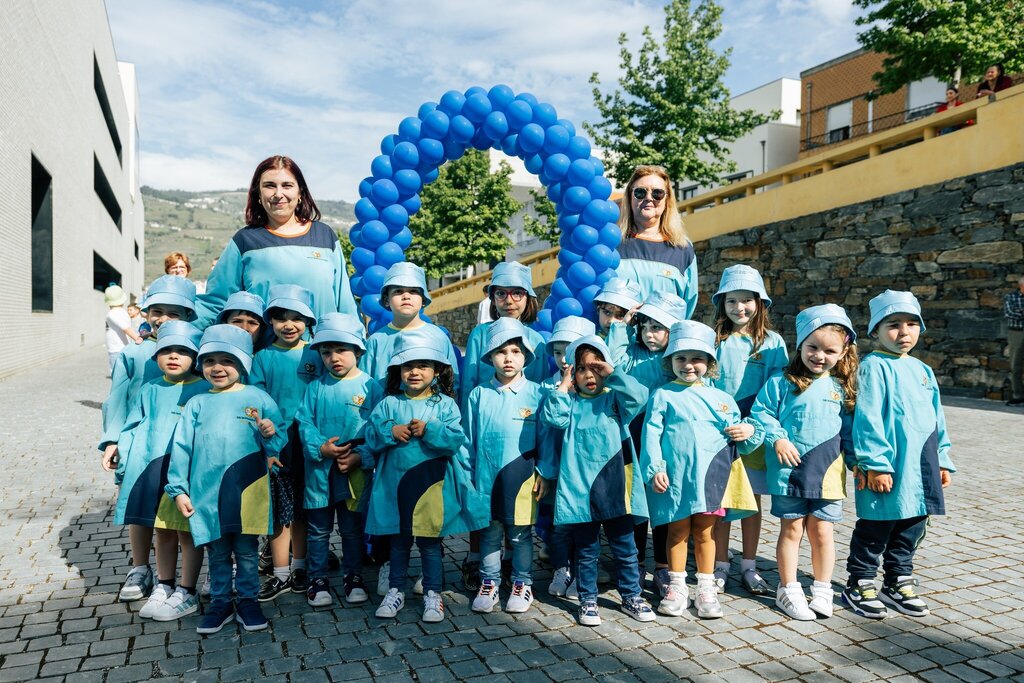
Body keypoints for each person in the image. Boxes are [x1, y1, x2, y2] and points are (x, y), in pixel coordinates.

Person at [165, 324, 288, 634]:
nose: (217, 368)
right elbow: (181, 447)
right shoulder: (197, 403)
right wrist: (178, 490)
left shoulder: (258, 397)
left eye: (227, 360)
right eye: (210, 360)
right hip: (207, 493)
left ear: (243, 363)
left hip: (249, 491)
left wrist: (270, 433)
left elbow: (277, 442)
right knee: (217, 551)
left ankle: (248, 601)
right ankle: (220, 603)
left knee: (246, 551)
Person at [843, 291, 955, 619]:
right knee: (877, 525)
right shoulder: (873, 367)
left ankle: (897, 581)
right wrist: (875, 464)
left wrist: (942, 459)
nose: (904, 332)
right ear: (875, 331)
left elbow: (937, 418)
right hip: (887, 467)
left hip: (921, 466)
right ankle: (860, 582)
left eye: (911, 324)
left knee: (912, 524)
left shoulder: (923, 370)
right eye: (893, 324)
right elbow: (867, 419)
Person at [745, 305, 858, 621]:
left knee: (822, 531)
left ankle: (822, 589)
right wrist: (778, 438)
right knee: (792, 529)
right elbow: (761, 413)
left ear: (843, 352)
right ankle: (789, 588)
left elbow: (850, 432)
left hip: (828, 475)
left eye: (829, 351)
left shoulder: (842, 387)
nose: (819, 356)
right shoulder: (781, 382)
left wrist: (858, 463)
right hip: (788, 473)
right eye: (813, 347)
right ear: (801, 345)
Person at [641, 321, 757, 619]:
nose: (688, 365)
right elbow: (651, 435)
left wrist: (748, 431)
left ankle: (705, 587)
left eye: (697, 358)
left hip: (710, 478)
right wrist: (655, 468)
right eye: (680, 358)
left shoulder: (723, 400)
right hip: (675, 478)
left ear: (710, 363)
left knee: (705, 533)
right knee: (677, 531)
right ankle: (677, 586)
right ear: (670, 361)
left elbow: (739, 440)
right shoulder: (662, 395)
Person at [364, 331, 483, 623]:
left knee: (430, 542)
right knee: (398, 541)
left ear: (437, 370)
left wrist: (430, 429)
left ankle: (432, 593)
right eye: (408, 366)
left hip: (432, 486)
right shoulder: (389, 404)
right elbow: (371, 433)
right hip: (395, 485)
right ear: (398, 370)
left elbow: (455, 439)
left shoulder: (445, 405)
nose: (415, 372)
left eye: (423, 365)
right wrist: (390, 430)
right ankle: (395, 590)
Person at [539, 335, 656, 627]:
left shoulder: (615, 400)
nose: (589, 375)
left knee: (626, 549)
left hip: (617, 488)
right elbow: (554, 418)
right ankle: (587, 599)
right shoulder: (570, 403)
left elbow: (640, 397)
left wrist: (613, 373)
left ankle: (631, 596)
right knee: (587, 551)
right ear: (571, 373)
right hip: (581, 492)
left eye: (595, 367)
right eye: (581, 369)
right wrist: (563, 386)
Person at [359, 261, 460, 595]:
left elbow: (451, 384)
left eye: (413, 291)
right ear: (386, 298)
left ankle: (431, 571)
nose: (405, 297)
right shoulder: (377, 340)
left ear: (424, 298)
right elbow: (369, 391)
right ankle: (389, 565)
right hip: (391, 439)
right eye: (397, 291)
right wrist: (383, 433)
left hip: (427, 441)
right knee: (389, 505)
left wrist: (434, 424)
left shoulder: (437, 336)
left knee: (429, 503)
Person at [110, 321, 209, 622]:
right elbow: (131, 427)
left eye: (182, 351)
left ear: (196, 357)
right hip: (154, 469)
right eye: (167, 350)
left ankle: (187, 590)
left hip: (188, 472)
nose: (174, 356)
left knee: (187, 531)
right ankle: (164, 584)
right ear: (156, 356)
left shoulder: (204, 388)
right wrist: (121, 460)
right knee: (163, 529)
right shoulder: (149, 389)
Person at [459, 261, 547, 591]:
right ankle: (475, 559)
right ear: (492, 298)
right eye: (501, 293)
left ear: (528, 298)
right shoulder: (479, 334)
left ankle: (511, 561)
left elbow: (538, 391)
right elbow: (469, 382)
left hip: (520, 434)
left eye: (517, 293)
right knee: (482, 501)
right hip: (484, 426)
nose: (509, 300)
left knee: (515, 505)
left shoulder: (536, 339)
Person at [195, 155, 357, 327]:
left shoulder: (324, 237)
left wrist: (357, 339)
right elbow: (216, 304)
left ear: (300, 192)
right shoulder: (244, 241)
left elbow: (345, 304)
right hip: (263, 346)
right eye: (269, 186)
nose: (278, 194)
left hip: (323, 344)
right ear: (258, 194)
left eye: (287, 185)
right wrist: (181, 331)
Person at [709, 265, 788, 596]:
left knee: (751, 501)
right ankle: (720, 563)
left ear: (760, 303)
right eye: (731, 301)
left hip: (755, 435)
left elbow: (778, 390)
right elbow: (705, 384)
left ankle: (749, 564)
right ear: (722, 303)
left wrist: (753, 425)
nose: (739, 308)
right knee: (720, 501)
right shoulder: (714, 340)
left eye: (746, 300)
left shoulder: (772, 343)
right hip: (720, 433)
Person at [295, 313, 381, 608]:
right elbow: (304, 422)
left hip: (354, 471)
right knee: (318, 529)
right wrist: (321, 448)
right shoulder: (315, 387)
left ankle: (353, 576)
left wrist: (361, 457)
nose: (334, 358)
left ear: (358, 350)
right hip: (320, 471)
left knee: (352, 529)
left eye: (341, 350)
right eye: (326, 351)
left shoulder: (371, 387)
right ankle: (317, 579)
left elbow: (378, 430)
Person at [606, 290, 687, 588]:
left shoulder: (676, 359)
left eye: (658, 328)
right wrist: (622, 326)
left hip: (667, 438)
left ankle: (663, 565)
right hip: (634, 434)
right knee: (636, 503)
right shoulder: (631, 353)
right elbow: (610, 361)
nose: (650, 334)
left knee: (663, 501)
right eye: (646, 326)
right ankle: (636, 562)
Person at [249, 285, 321, 602]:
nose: (289, 325)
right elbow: (256, 405)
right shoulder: (263, 358)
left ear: (308, 321)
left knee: (303, 509)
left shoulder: (316, 354)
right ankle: (280, 573)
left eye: (297, 318)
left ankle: (300, 567)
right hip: (276, 443)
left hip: (308, 441)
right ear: (271, 322)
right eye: (281, 318)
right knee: (280, 511)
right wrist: (268, 447)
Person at [100, 276, 197, 483]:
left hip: (186, 442)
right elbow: (117, 399)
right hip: (139, 440)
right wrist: (112, 440)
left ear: (188, 315)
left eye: (173, 314)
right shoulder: (133, 352)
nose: (163, 319)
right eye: (157, 312)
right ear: (147, 312)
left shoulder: (198, 351)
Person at [537, 315, 595, 598]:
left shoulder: (594, 389)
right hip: (558, 468)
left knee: (584, 525)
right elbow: (546, 434)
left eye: (569, 352)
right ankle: (562, 568)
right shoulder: (547, 387)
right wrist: (546, 471)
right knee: (559, 525)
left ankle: (583, 571)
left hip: (584, 471)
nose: (563, 359)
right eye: (558, 352)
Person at [615, 165, 698, 318]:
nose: (648, 198)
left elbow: (687, 306)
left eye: (657, 193)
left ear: (667, 200)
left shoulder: (682, 248)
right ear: (629, 197)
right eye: (640, 192)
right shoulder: (612, 242)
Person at [104, 285, 143, 374]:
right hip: (124, 347)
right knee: (125, 374)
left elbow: (125, 327)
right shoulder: (124, 312)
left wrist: (138, 338)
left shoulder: (112, 314)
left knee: (117, 376)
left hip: (116, 349)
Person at [1004, 275, 1024, 406]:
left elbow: (1017, 313)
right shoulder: (1011, 297)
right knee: (1015, 365)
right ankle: (1018, 396)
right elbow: (1009, 313)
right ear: (1021, 286)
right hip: (1017, 333)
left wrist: (1020, 312)